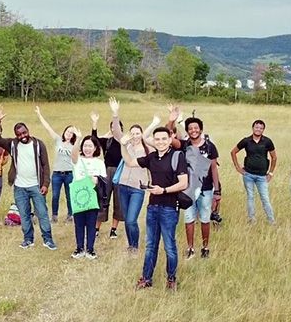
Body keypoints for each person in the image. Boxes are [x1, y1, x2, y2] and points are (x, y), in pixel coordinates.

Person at [114, 98, 188, 291]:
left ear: (170, 139)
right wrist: (123, 145)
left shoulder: (177, 157)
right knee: (150, 245)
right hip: (153, 207)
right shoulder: (152, 157)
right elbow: (130, 162)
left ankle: (171, 279)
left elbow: (183, 183)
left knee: (169, 246)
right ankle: (146, 278)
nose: (161, 141)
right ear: (153, 141)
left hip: (170, 208)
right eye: (158, 139)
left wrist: (163, 190)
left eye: (165, 138)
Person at [0, 106, 57, 250]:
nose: (22, 136)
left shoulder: (39, 144)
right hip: (19, 187)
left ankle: (48, 240)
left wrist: (45, 184)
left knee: (42, 214)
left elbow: (45, 166)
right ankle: (28, 239)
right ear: (16, 135)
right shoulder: (12, 144)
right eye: (19, 134)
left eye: (24, 132)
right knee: (24, 214)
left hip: (36, 186)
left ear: (28, 131)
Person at [178, 117, 220, 259]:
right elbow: (170, 136)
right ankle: (190, 248)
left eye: (196, 128)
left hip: (206, 188)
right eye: (190, 128)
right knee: (189, 218)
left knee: (205, 218)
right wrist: (172, 119)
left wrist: (217, 189)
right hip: (188, 189)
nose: (193, 130)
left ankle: (205, 247)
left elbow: (214, 168)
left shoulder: (210, 147)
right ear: (187, 131)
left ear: (201, 129)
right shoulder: (184, 145)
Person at [110, 120, 154, 256]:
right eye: (133, 133)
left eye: (138, 133)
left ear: (142, 134)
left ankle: (134, 246)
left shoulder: (148, 149)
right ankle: (130, 245)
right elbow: (117, 132)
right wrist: (115, 114)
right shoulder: (126, 145)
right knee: (127, 219)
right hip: (123, 186)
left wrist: (153, 124)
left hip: (137, 188)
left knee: (131, 220)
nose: (135, 136)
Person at [34, 106, 76, 223]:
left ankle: (70, 215)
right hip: (57, 173)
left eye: (72, 133)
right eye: (68, 131)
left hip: (69, 173)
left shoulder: (74, 145)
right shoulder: (58, 139)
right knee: (55, 196)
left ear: (74, 135)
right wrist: (39, 114)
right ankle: (54, 216)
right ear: (64, 132)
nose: (69, 134)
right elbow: (48, 128)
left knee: (69, 196)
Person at [230, 120, 276, 225]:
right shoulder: (246, 141)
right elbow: (233, 152)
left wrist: (271, 173)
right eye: (256, 127)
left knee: (265, 198)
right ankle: (252, 220)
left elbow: (274, 157)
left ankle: (271, 221)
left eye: (261, 128)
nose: (258, 129)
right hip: (248, 174)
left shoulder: (267, 141)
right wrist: (238, 167)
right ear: (253, 128)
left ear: (263, 130)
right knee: (250, 197)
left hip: (262, 176)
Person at [70, 130, 106, 259]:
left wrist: (97, 180)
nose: (87, 148)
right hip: (78, 195)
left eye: (90, 146)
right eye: (85, 145)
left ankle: (90, 249)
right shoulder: (78, 160)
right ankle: (79, 248)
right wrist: (78, 138)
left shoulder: (99, 162)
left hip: (93, 196)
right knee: (79, 223)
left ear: (95, 148)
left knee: (91, 223)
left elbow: (104, 179)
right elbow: (73, 155)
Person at [90, 111, 124, 238]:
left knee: (118, 201)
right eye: (113, 127)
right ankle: (96, 228)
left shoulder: (125, 142)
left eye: (117, 127)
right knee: (103, 199)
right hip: (106, 171)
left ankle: (113, 229)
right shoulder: (107, 141)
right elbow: (94, 140)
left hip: (121, 172)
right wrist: (94, 123)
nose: (114, 130)